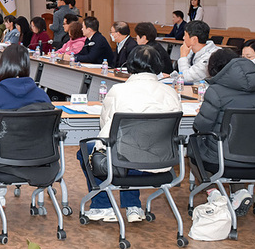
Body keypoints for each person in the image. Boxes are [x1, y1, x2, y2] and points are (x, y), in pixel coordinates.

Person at [78, 45, 183, 222]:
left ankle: (103, 205)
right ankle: (133, 205)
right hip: (162, 162)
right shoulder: (171, 92)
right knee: (134, 147)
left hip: (125, 162)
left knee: (90, 150)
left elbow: (104, 126)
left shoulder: (119, 91)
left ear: (130, 65)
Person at [0, 43, 53, 207]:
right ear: (27, 65)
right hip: (38, 161)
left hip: (1, 163)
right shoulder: (42, 96)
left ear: (3, 65)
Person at [192, 49, 255, 214]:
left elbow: (201, 126)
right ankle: (240, 192)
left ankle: (213, 193)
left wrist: (204, 112)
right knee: (238, 144)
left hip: (226, 158)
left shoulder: (216, 92)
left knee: (193, 148)